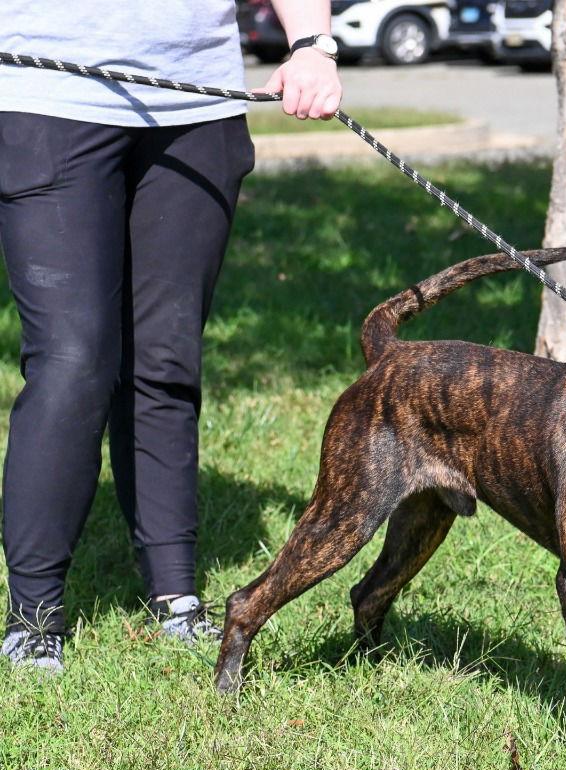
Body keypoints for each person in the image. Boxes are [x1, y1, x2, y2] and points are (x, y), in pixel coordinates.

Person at [0, 1, 342, 672]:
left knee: (167, 356)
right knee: (75, 359)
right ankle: (35, 615)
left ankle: (173, 592)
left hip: (195, 109)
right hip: (47, 95)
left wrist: (312, 44)